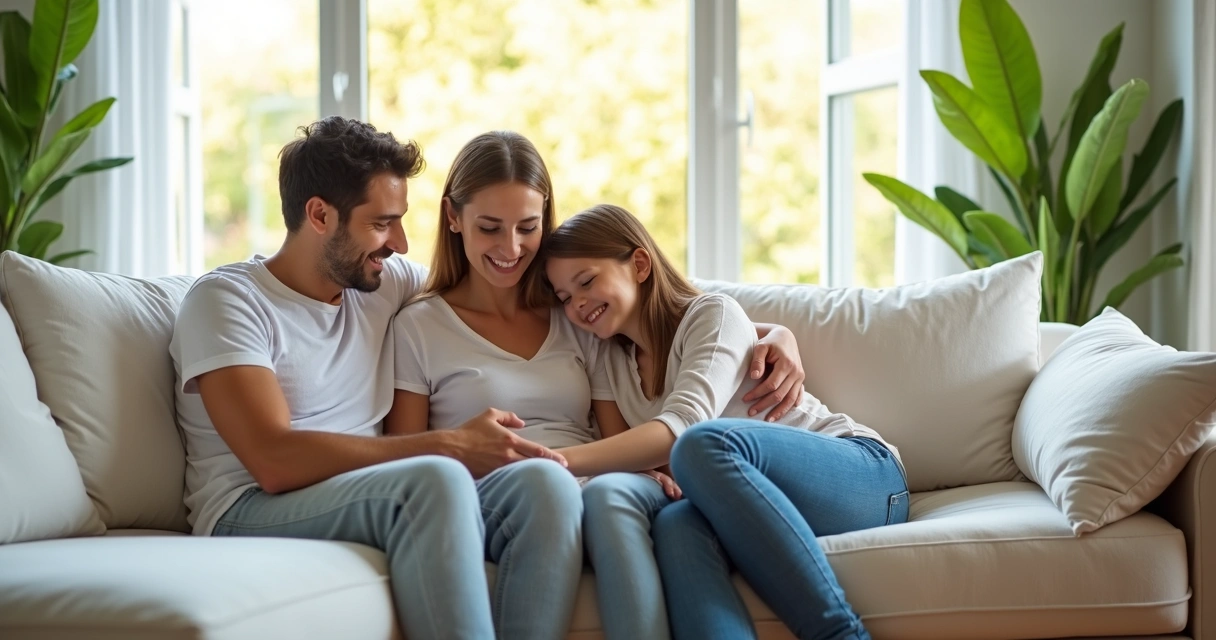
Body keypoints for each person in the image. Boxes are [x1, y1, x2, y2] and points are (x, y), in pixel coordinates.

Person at [387, 131, 809, 640]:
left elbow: (660, 330)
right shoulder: (418, 326)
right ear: (453, 218)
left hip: (595, 478)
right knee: (547, 484)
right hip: (498, 489)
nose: (511, 248)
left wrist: (773, 332)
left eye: (528, 227)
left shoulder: (572, 314)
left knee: (616, 496)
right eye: (490, 228)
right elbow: (407, 459)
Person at [170, 116, 575, 640]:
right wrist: (450, 444)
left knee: (546, 485)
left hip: (370, 494)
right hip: (251, 505)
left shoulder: (383, 284)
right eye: (383, 223)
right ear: (319, 214)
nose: (402, 243)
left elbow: (482, 290)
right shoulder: (228, 302)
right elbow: (272, 460)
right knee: (436, 477)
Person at [543, 204, 908, 640]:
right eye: (564, 297)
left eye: (586, 281)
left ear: (639, 264)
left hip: (864, 477)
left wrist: (547, 460)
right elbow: (626, 455)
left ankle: (840, 635)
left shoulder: (711, 315)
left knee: (701, 444)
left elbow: (680, 429)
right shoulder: (609, 358)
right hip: (739, 498)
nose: (578, 303)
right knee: (675, 525)